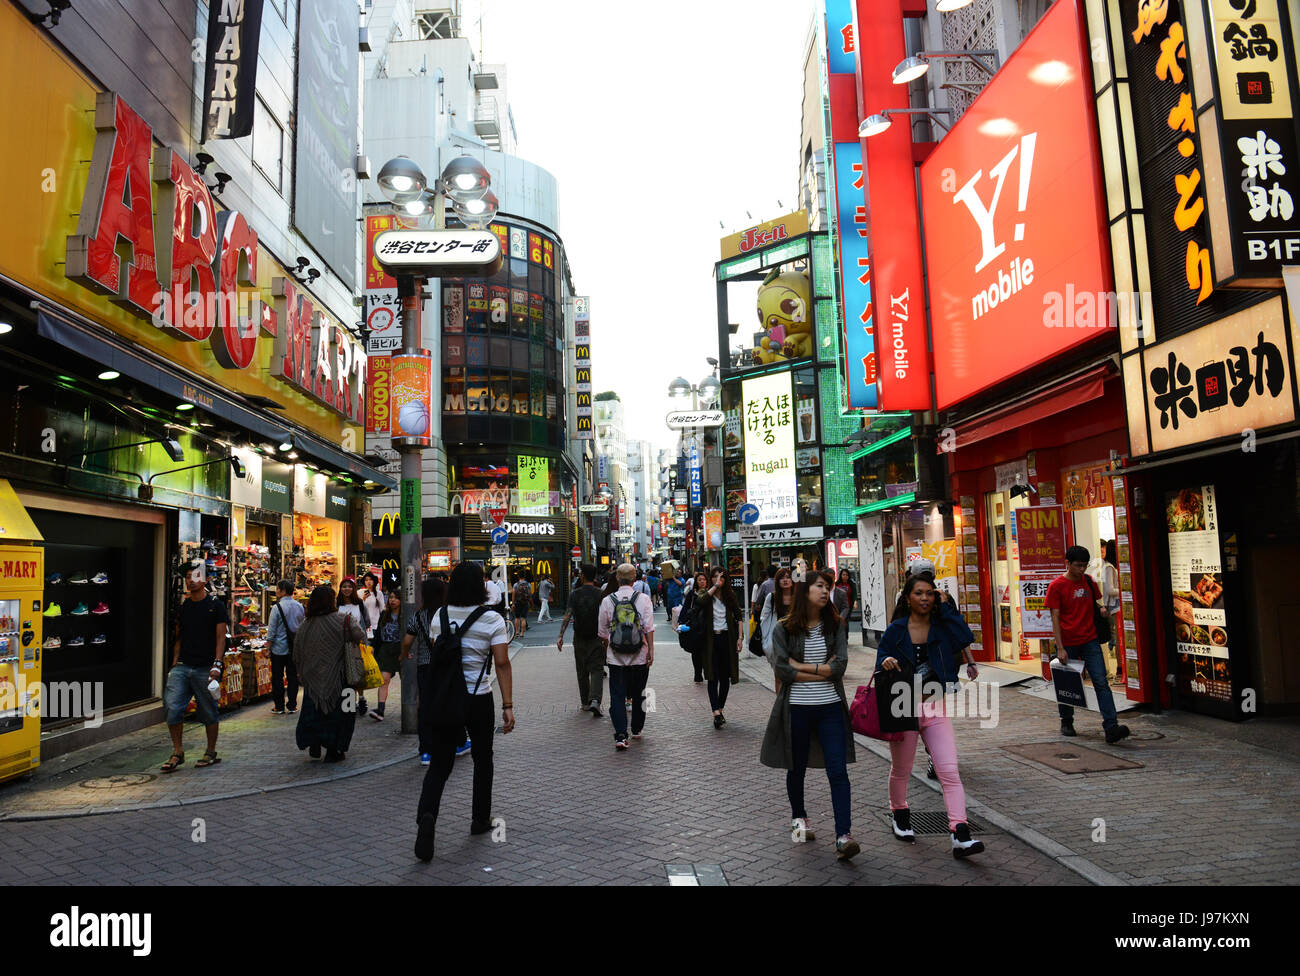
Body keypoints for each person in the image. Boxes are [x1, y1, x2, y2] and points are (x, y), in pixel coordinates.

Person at [410, 562, 514, 862]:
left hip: (444, 699)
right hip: (478, 698)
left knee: (440, 764)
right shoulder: (492, 619)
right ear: (481, 586)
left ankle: (427, 818)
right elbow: (502, 663)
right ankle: (480, 818)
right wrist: (508, 705)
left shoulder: (438, 617)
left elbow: (441, 655)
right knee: (483, 760)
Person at [877, 574, 985, 858]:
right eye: (919, 593)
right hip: (903, 707)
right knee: (902, 769)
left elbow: (965, 637)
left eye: (929, 593)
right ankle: (899, 813)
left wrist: (947, 606)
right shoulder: (896, 629)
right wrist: (885, 661)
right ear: (907, 598)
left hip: (935, 706)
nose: (924, 598)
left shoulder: (942, 627)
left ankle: (960, 832)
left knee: (949, 770)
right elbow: (880, 660)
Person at [761, 575, 860, 861]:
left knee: (838, 770)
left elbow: (839, 667)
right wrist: (820, 669)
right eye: (819, 586)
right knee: (797, 765)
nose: (825, 591)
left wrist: (802, 666)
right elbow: (783, 670)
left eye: (827, 587)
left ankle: (844, 835)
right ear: (804, 592)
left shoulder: (836, 626)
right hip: (797, 707)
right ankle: (799, 819)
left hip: (830, 707)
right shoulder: (784, 628)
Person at [1048, 545, 1129, 743]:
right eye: (1078, 565)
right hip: (1068, 642)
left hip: (1090, 640)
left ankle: (1111, 727)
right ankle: (1066, 720)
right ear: (1067, 564)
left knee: (1101, 682)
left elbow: (1096, 603)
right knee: (1067, 683)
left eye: (1084, 565)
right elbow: (1055, 617)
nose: (1081, 569)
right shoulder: (1057, 586)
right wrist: (1060, 647)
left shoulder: (1088, 581)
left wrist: (1101, 610)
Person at [160, 576, 229, 772]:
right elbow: (179, 635)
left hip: (206, 666)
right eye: (188, 577)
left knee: (208, 710)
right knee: (172, 706)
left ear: (206, 579)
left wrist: (217, 664)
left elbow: (220, 637)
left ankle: (211, 751)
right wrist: (174, 661)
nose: (191, 581)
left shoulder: (216, 606)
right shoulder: (184, 607)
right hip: (183, 665)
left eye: (196, 577)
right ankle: (178, 751)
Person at [293, 585, 366, 763]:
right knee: (345, 714)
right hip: (343, 678)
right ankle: (335, 749)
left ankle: (314, 741)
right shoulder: (344, 620)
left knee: (315, 712)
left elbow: (297, 653)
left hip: (314, 679)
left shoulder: (305, 625)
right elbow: (360, 635)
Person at [597, 563, 655, 750]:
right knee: (640, 692)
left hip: (616, 658)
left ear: (616, 579)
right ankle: (637, 729)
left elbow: (602, 631)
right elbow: (649, 628)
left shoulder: (608, 600)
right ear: (634, 579)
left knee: (617, 694)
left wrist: (611, 646)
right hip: (640, 654)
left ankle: (621, 735)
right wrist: (651, 651)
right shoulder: (644, 599)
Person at [402, 576, 446, 766]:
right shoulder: (447, 614)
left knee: (425, 707)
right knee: (445, 705)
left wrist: (405, 654)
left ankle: (426, 751)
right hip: (444, 666)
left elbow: (407, 642)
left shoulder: (417, 617)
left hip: (424, 667)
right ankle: (447, 744)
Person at [557, 563, 606, 717]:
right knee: (597, 668)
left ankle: (585, 702)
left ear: (582, 575)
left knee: (582, 670)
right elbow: (606, 617)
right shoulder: (600, 594)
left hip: (579, 637)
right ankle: (595, 701)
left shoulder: (575, 594)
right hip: (597, 636)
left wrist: (560, 635)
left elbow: (567, 615)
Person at [696, 569, 742, 729]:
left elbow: (739, 616)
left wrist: (740, 638)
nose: (718, 579)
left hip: (726, 639)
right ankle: (715, 711)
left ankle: (720, 709)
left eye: (721, 577)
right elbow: (701, 601)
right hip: (710, 640)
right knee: (711, 675)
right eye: (715, 576)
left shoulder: (730, 596)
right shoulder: (706, 593)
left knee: (725, 676)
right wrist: (715, 586)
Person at [266, 579, 303, 715]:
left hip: (278, 648)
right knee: (293, 677)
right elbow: (301, 626)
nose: (276, 591)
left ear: (282, 591)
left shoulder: (277, 607)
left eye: (277, 589)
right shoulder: (299, 606)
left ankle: (279, 706)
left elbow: (272, 630)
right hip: (293, 648)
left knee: (278, 678)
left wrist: (268, 647)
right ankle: (292, 705)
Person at [1088, 540, 1123, 682]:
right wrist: (1125, 590)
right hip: (1114, 608)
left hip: (1115, 607)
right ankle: (1120, 670)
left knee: (1118, 638)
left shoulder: (1111, 567)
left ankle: (1120, 669)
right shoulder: (1109, 567)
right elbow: (1109, 590)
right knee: (1118, 638)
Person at [369, 592, 403, 722]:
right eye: (391, 598)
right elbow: (379, 632)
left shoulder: (405, 615)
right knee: (384, 679)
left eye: (396, 598)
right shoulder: (384, 614)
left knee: (406, 681)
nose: (392, 600)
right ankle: (380, 710)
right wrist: (374, 646)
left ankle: (409, 710)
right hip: (386, 649)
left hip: (401, 649)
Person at [679, 571, 710, 682]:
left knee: (707, 651)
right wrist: (681, 622)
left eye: (704, 579)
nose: (702, 582)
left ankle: (708, 671)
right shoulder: (692, 595)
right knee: (696, 651)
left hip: (707, 626)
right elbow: (685, 608)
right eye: (699, 580)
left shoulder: (710, 593)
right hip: (694, 626)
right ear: (696, 582)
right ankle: (698, 672)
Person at [759, 567, 795, 658]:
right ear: (777, 581)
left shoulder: (798, 597)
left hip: (795, 635)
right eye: (782, 578)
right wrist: (765, 638)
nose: (785, 580)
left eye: (788, 577)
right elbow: (764, 617)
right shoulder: (772, 597)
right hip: (777, 635)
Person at [360, 572, 385, 642]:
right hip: (364, 625)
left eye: (370, 579)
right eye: (366, 580)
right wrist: (364, 598)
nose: (368, 582)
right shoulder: (360, 592)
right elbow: (358, 608)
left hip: (375, 625)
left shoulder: (379, 593)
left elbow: (382, 609)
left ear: (374, 581)